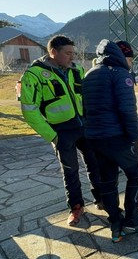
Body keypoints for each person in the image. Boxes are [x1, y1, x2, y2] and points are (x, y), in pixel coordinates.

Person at [19, 35, 102, 226]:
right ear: (53, 52)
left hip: (83, 128)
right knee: (70, 171)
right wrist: (53, 136)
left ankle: (101, 199)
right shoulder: (34, 75)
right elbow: (30, 111)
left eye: (73, 53)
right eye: (67, 53)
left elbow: (86, 98)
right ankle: (76, 208)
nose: (71, 57)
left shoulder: (77, 70)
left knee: (95, 164)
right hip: (61, 133)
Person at [82, 39, 138, 242]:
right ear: (120, 56)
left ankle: (115, 221)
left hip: (94, 137)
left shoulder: (89, 74)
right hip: (116, 137)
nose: (130, 63)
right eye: (129, 58)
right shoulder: (120, 74)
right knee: (136, 173)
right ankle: (132, 221)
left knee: (107, 180)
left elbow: (85, 109)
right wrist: (133, 137)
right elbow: (127, 110)